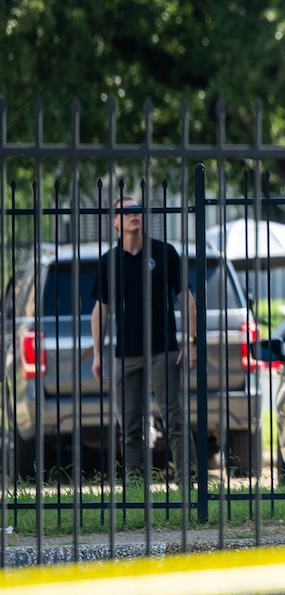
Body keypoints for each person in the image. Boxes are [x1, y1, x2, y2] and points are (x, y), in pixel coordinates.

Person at [90, 196, 198, 488]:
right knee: (129, 426)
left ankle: (188, 484)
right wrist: (98, 354)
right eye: (126, 212)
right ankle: (136, 489)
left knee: (174, 419)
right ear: (115, 222)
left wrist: (191, 342)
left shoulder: (164, 252)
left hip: (163, 350)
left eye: (137, 209)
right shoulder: (109, 261)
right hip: (126, 354)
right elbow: (101, 310)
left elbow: (185, 298)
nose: (133, 214)